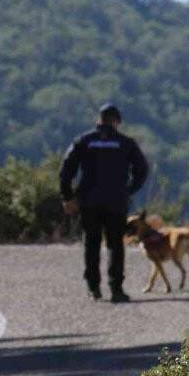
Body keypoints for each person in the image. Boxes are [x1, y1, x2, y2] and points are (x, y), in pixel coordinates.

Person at [59, 103, 149, 303]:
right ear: (117, 122)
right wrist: (129, 190)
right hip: (116, 201)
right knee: (115, 245)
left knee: (91, 243)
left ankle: (93, 288)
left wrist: (67, 197)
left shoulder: (84, 141)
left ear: (98, 120)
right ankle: (116, 288)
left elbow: (66, 170)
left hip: (88, 200)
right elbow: (142, 169)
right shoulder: (126, 143)